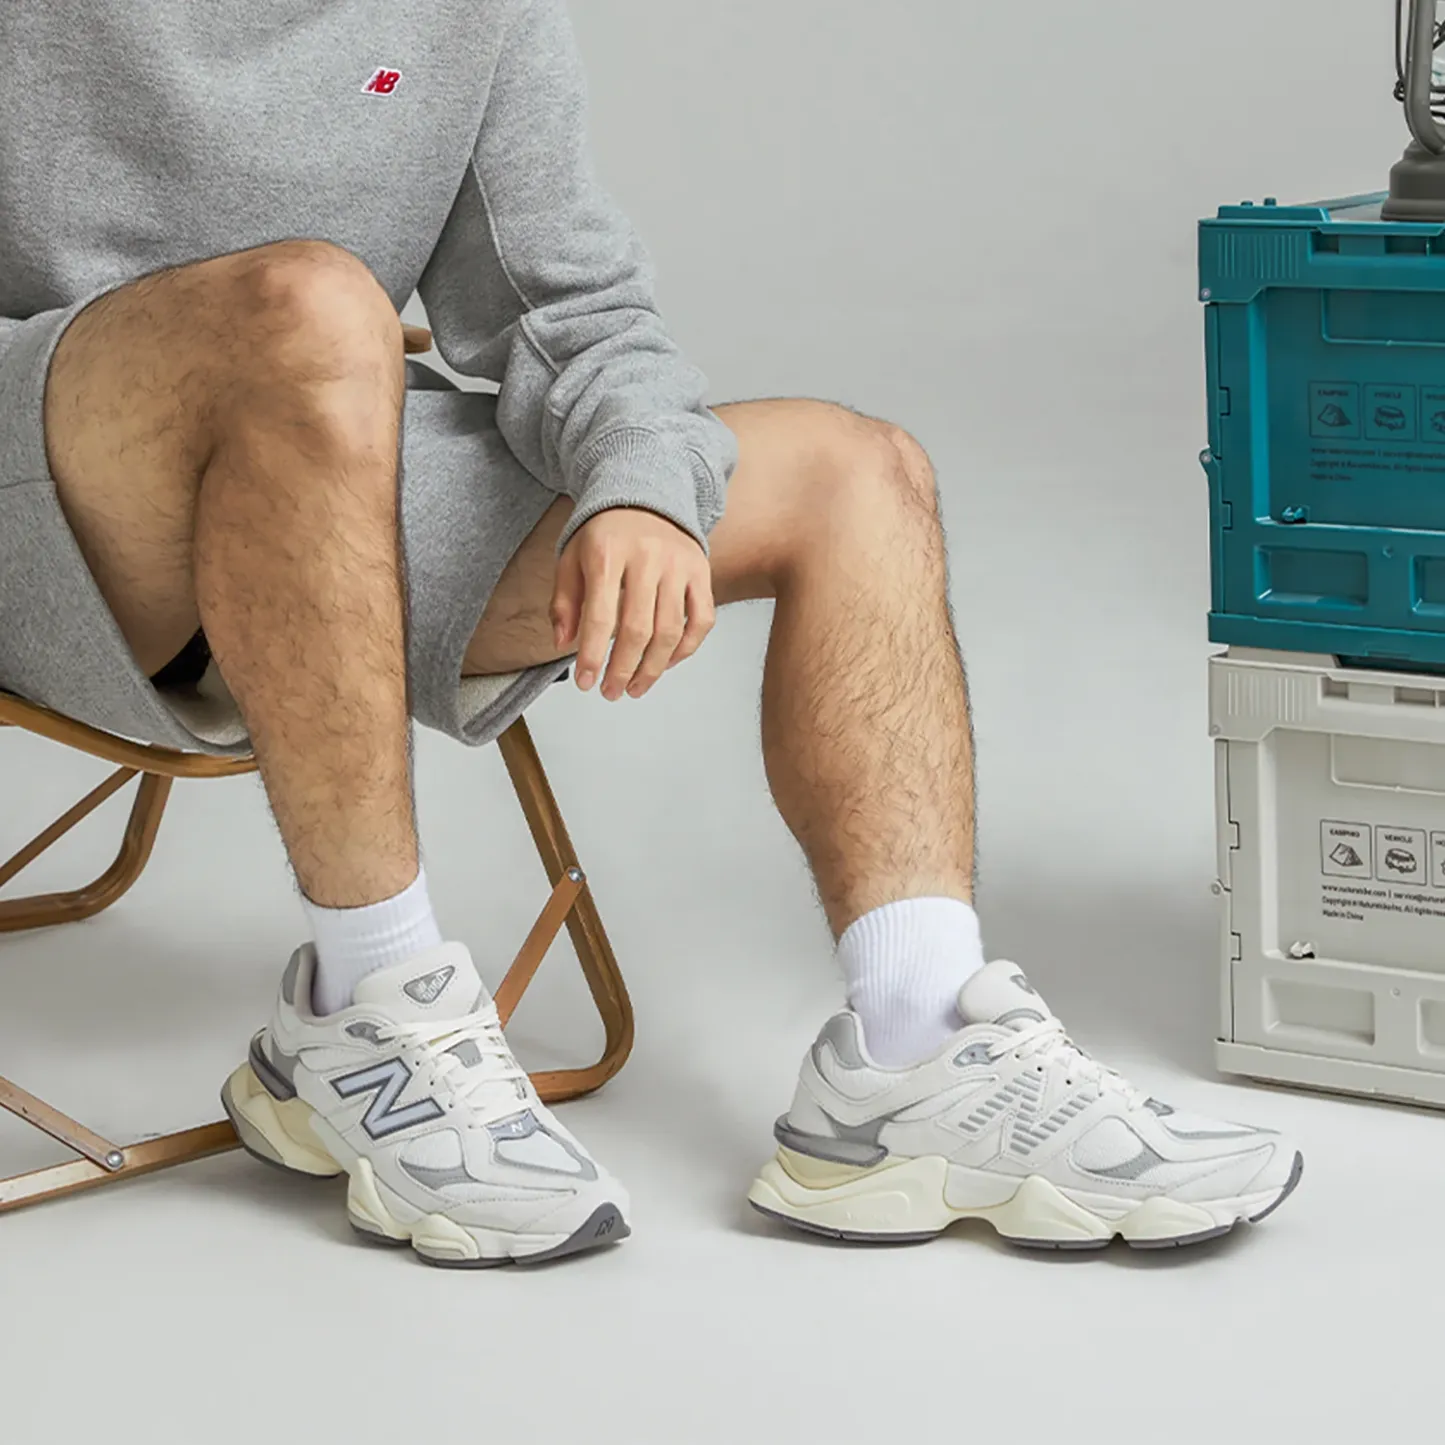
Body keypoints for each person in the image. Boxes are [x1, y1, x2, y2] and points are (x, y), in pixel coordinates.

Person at [0, 2, 1301, 1268]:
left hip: (326, 479)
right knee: (313, 304)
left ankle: (914, 1055)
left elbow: (569, 309)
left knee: (856, 475)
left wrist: (640, 489)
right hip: (47, 507)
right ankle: (368, 1003)